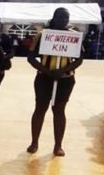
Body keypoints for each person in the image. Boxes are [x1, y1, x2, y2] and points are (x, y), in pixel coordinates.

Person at [27, 8, 83, 156]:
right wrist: (46, 71)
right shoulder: (43, 35)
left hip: (65, 79)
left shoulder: (74, 37)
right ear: (54, 17)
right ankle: (34, 142)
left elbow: (79, 59)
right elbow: (31, 57)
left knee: (59, 110)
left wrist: (63, 70)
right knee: (40, 108)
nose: (63, 20)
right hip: (44, 78)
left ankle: (58, 145)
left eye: (66, 17)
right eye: (60, 17)